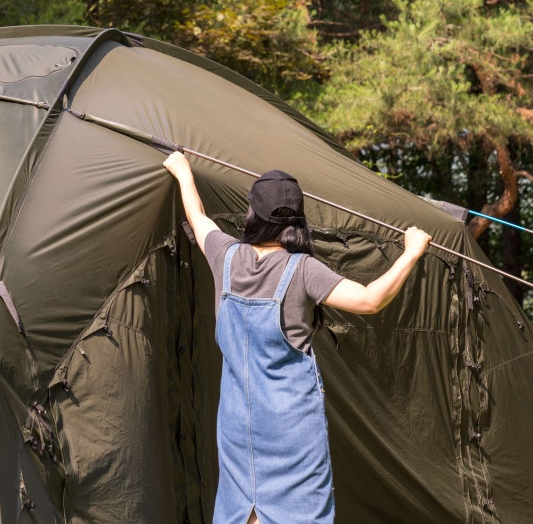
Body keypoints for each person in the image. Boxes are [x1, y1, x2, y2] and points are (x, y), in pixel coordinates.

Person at [163, 151, 432, 524]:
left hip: (238, 425)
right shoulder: (304, 269)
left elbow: (199, 216)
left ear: (252, 213)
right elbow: (371, 300)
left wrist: (181, 171)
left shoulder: (224, 255)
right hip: (292, 431)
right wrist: (411, 252)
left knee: (245, 513)